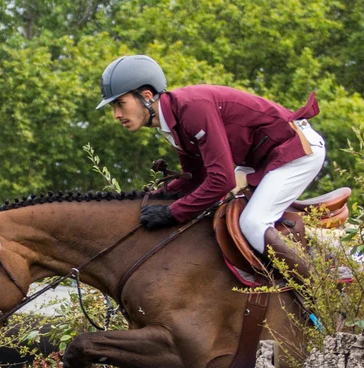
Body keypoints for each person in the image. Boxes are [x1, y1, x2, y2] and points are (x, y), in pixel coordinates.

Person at [96, 55, 327, 279]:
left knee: (252, 222)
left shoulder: (192, 110)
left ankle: (315, 289)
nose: (116, 115)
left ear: (146, 96)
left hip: (296, 150)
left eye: (120, 104)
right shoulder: (172, 120)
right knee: (220, 212)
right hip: (262, 161)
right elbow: (195, 177)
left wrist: (172, 213)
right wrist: (153, 198)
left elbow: (222, 180)